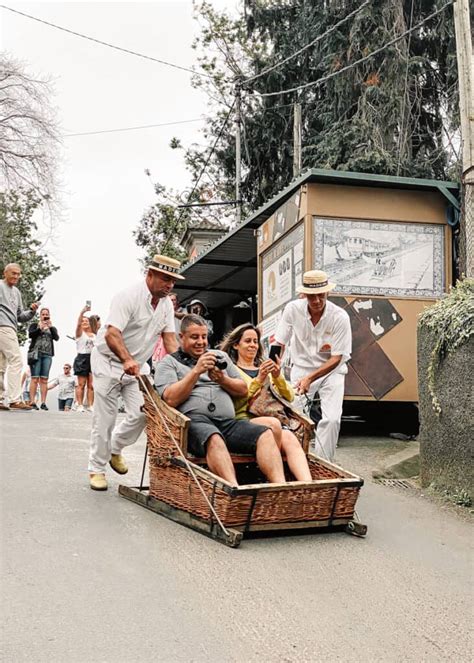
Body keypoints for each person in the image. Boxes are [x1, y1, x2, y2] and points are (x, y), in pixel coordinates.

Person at [154, 314, 288, 487]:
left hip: (227, 421)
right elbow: (170, 399)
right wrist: (196, 372)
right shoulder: (169, 363)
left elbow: (242, 390)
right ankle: (234, 489)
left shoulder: (219, 356)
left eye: (203, 337)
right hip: (195, 422)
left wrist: (222, 380)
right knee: (214, 437)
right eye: (195, 337)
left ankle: (280, 487)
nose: (201, 342)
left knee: (265, 434)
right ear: (182, 338)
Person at [88, 254, 183, 491]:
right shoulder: (128, 296)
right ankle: (96, 469)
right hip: (108, 361)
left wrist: (184, 369)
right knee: (105, 418)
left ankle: (115, 448)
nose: (169, 285)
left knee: (144, 412)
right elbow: (111, 333)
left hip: (138, 366)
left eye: (172, 280)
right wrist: (126, 359)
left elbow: (170, 339)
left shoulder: (166, 305)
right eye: (164, 279)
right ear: (149, 275)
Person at [274, 269, 352, 461]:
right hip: (301, 368)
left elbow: (337, 357)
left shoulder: (340, 317)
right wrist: (273, 368)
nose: (316, 300)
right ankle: (296, 460)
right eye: (311, 296)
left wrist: (310, 378)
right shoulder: (292, 309)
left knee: (332, 419)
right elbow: (279, 342)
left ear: (327, 293)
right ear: (303, 295)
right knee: (296, 416)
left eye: (320, 295)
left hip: (331, 370)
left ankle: (324, 462)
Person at [220, 323, 312, 481]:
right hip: (244, 419)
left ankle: (308, 485)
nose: (253, 345)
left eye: (255, 341)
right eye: (247, 341)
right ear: (236, 345)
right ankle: (272, 476)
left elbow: (289, 396)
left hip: (272, 418)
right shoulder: (232, 370)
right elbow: (238, 401)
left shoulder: (265, 368)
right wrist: (259, 379)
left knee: (289, 438)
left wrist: (277, 375)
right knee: (273, 424)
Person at [0, 263, 38, 410]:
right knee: (16, 360)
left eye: (18, 274)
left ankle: (1, 399)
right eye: (13, 273)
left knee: (1, 365)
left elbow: (20, 316)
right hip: (4, 327)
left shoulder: (16, 292)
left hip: (11, 327)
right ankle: (14, 399)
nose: (16, 276)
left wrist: (32, 311)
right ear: (5, 273)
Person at [27, 307, 59, 411]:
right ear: (40, 316)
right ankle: (32, 402)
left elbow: (56, 338)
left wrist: (51, 327)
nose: (45, 316)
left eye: (47, 314)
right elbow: (31, 335)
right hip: (36, 354)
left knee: (44, 379)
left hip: (47, 355)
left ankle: (43, 402)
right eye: (43, 314)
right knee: (35, 378)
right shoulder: (35, 325)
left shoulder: (51, 327)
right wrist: (40, 328)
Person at [73, 306, 98, 412]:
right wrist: (82, 312)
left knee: (91, 385)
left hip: (93, 358)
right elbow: (78, 325)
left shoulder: (94, 335)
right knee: (81, 384)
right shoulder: (79, 334)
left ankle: (91, 405)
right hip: (82, 358)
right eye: (83, 321)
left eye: (86, 320)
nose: (84, 322)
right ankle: (79, 404)